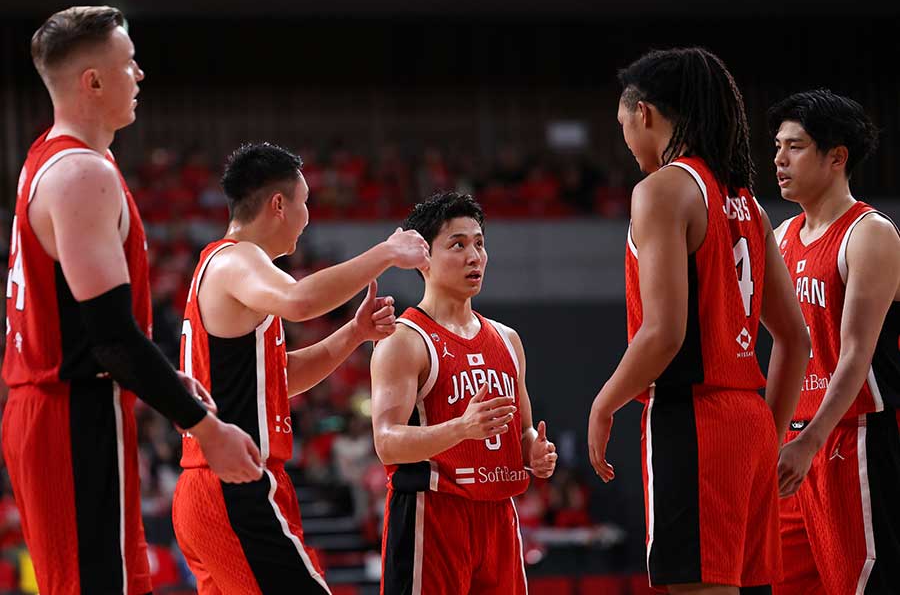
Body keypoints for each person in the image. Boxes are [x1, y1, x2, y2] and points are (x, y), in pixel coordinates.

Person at [1, 7, 262, 595]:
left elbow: (87, 322)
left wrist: (163, 374)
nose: (140, 74)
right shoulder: (81, 175)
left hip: (58, 403)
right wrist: (205, 429)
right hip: (70, 409)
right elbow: (110, 339)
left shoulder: (54, 156)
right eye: (128, 63)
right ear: (92, 81)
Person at [586, 47, 811, 594]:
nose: (625, 140)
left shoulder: (662, 190)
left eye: (623, 124)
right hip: (751, 419)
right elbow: (796, 339)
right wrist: (767, 437)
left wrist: (604, 402)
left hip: (693, 420)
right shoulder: (748, 204)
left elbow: (664, 333)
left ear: (644, 114)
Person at [172, 142, 430, 594]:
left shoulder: (235, 274)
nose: (308, 216)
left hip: (212, 490)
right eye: (304, 202)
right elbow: (301, 301)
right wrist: (387, 251)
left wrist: (353, 333)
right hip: (235, 487)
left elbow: (279, 379)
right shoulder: (238, 259)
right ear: (278, 205)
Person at [370, 191, 558, 595]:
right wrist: (460, 428)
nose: (474, 256)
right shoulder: (404, 340)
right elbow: (387, 444)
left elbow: (522, 431)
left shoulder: (508, 340)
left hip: (499, 516)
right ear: (424, 258)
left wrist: (533, 452)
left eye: (479, 243)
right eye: (457, 245)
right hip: (433, 513)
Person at [769, 89, 900, 594]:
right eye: (777, 146)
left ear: (837, 157)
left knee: (860, 584)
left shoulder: (869, 234)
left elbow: (854, 357)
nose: (779, 158)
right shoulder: (780, 237)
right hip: (793, 442)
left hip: (853, 435)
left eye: (795, 146)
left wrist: (811, 440)